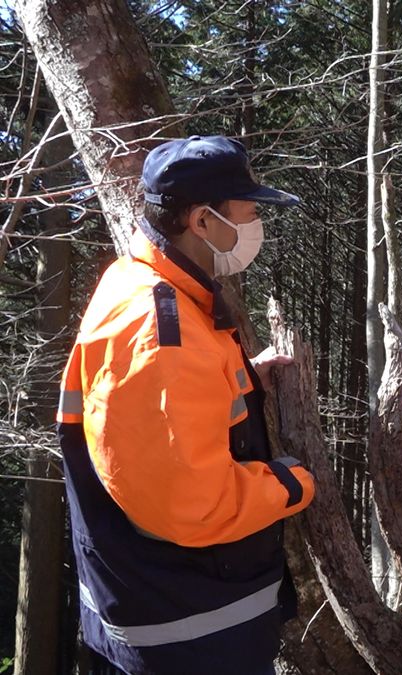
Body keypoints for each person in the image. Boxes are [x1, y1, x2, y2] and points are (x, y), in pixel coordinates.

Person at [57, 136, 316, 675]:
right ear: (202, 221)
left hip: (166, 614)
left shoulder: (145, 283)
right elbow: (191, 506)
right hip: (188, 634)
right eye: (247, 212)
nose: (254, 226)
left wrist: (244, 381)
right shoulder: (160, 331)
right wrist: (290, 484)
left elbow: (168, 415)